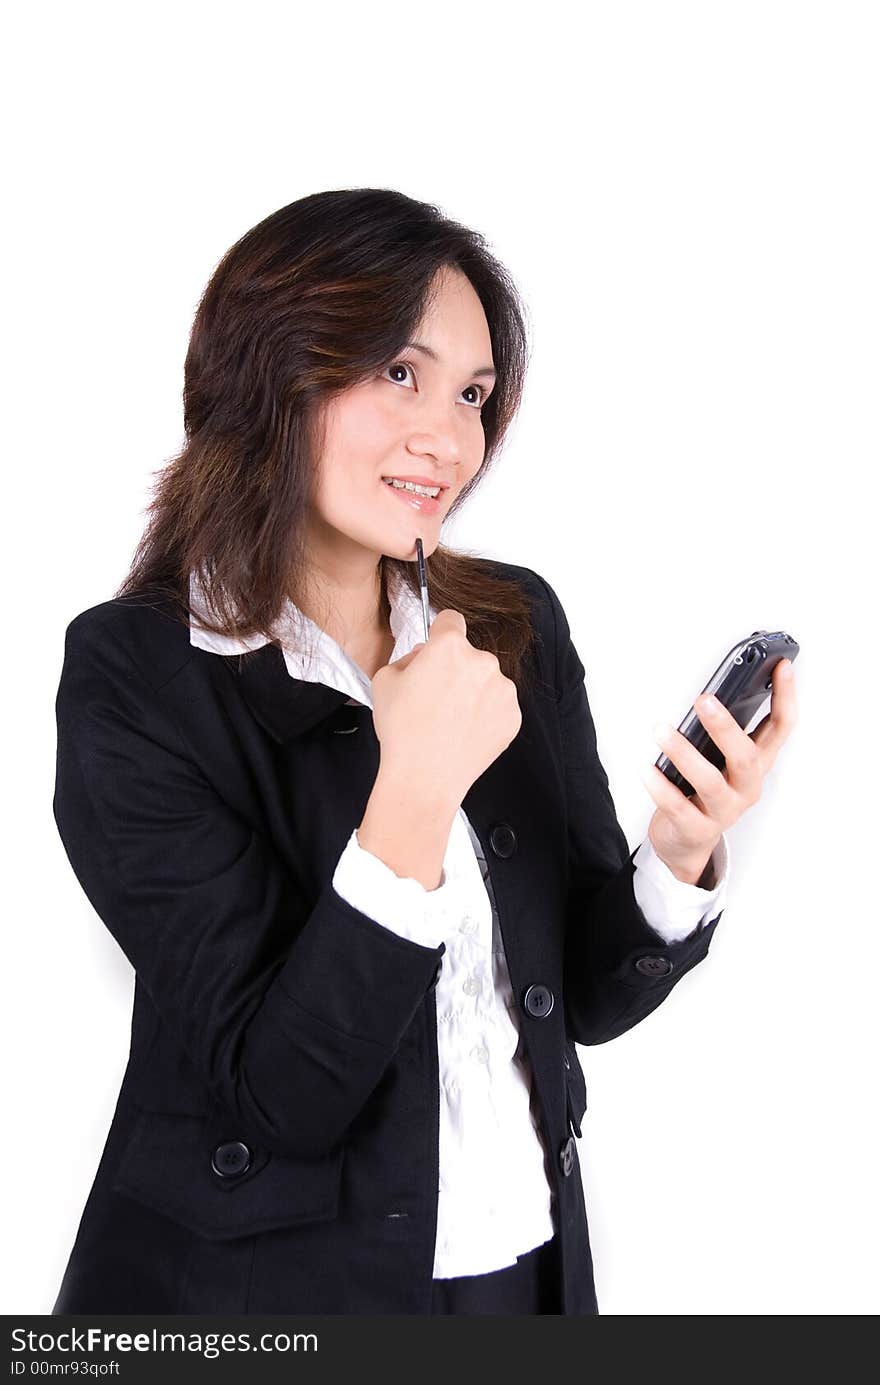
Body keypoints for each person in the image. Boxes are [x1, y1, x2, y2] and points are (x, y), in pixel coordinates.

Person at [51, 188, 797, 1315]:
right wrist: (411, 790)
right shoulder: (138, 673)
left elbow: (574, 996)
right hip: (262, 1298)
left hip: (526, 1273)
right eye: (398, 372)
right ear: (269, 370)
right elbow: (281, 1092)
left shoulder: (509, 624)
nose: (447, 438)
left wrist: (678, 850)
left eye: (473, 394)